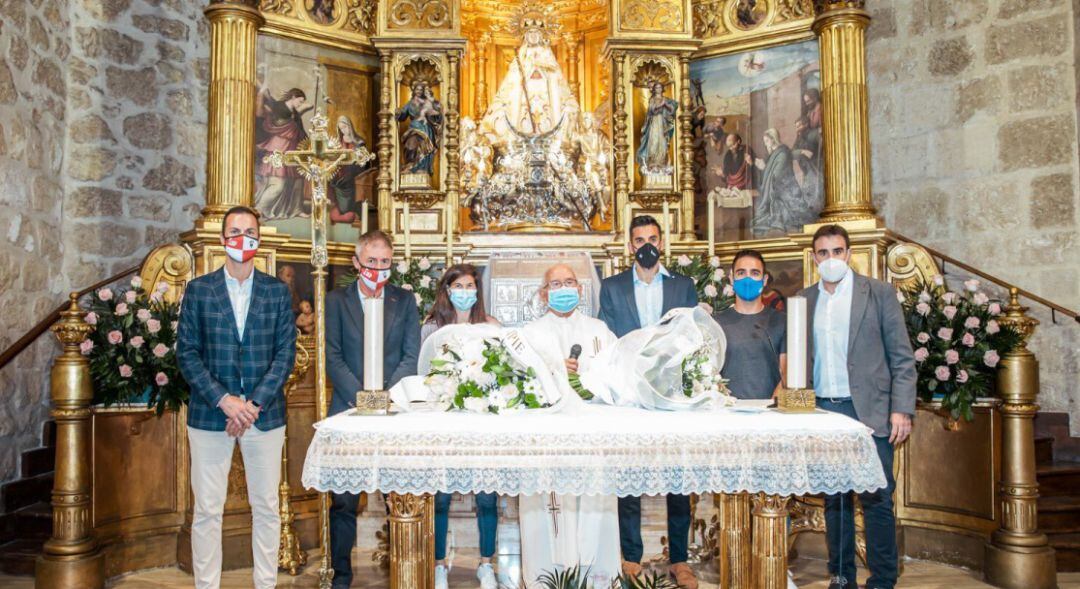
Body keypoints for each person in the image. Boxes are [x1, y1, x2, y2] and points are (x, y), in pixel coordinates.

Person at [176, 206, 297, 589]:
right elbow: (187, 353)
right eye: (234, 231)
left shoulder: (277, 291)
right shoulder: (199, 290)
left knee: (265, 508)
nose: (242, 238)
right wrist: (224, 400)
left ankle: (266, 584)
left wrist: (254, 403)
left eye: (249, 231)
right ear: (223, 239)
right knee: (208, 510)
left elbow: (285, 354)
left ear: (258, 239)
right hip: (212, 414)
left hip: (264, 413)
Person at [799, 224, 916, 589]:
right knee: (835, 499)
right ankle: (841, 576)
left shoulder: (878, 293)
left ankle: (883, 579)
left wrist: (901, 410)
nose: (830, 259)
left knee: (877, 498)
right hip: (825, 411)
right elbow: (800, 361)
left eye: (837, 251)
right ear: (814, 257)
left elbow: (902, 358)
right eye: (823, 252)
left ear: (848, 254)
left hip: (869, 410)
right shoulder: (804, 300)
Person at [597, 215, 699, 589]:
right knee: (628, 476)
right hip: (629, 391)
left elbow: (692, 335)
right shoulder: (612, 287)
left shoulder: (683, 285)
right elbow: (607, 338)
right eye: (639, 240)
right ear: (630, 247)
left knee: (677, 476)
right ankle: (631, 555)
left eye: (652, 239)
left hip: (671, 392)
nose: (646, 246)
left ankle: (679, 559)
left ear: (662, 242)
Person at [325, 230, 420, 588]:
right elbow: (332, 355)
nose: (378, 269)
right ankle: (341, 576)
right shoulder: (336, 300)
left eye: (385, 263)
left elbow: (410, 355)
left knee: (401, 497)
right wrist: (362, 398)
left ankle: (404, 571)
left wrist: (386, 398)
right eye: (372, 262)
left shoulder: (404, 300)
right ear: (357, 263)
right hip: (348, 409)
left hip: (395, 410)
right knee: (344, 502)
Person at [520, 263, 620, 589]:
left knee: (595, 503)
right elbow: (521, 385)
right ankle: (545, 578)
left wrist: (586, 379)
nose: (563, 289)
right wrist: (552, 370)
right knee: (548, 505)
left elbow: (617, 375)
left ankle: (598, 578)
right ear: (544, 293)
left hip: (592, 435)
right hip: (548, 437)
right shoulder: (530, 335)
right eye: (556, 284)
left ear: (580, 289)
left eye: (570, 282)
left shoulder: (599, 331)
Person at [422, 264, 501, 589]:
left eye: (471, 285)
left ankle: (486, 564)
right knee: (440, 497)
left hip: (482, 423)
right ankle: (439, 564)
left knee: (486, 497)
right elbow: (423, 373)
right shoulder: (431, 328)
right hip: (443, 423)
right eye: (460, 285)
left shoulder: (491, 326)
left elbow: (502, 372)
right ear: (447, 289)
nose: (466, 291)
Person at [715, 250, 787, 400]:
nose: (748, 279)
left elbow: (788, 372)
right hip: (727, 412)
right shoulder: (716, 323)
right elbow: (708, 373)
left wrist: (771, 406)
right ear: (732, 279)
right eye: (741, 273)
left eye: (754, 273)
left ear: (765, 279)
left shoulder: (781, 321)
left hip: (769, 413)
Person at [253, 87, 312, 220]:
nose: (300, 104)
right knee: (278, 184)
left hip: (292, 149)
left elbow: (300, 130)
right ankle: (259, 209)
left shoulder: (294, 113)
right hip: (278, 148)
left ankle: (296, 209)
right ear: (293, 97)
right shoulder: (279, 107)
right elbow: (271, 113)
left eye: (302, 102)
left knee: (298, 181)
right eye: (300, 100)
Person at [752, 128, 801, 237]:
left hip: (784, 189)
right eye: (764, 142)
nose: (766, 145)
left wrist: (764, 167)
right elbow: (769, 173)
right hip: (777, 187)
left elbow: (778, 175)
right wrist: (762, 168)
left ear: (773, 140)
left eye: (767, 141)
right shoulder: (773, 154)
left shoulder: (782, 153)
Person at [636, 81, 679, 173]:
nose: (658, 89)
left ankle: (661, 163)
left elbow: (672, 110)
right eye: (656, 88)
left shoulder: (666, 99)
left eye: (660, 87)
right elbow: (652, 111)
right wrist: (661, 105)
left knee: (662, 142)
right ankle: (652, 163)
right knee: (654, 142)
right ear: (654, 90)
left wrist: (666, 105)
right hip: (655, 122)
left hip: (663, 123)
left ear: (662, 89)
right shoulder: (652, 99)